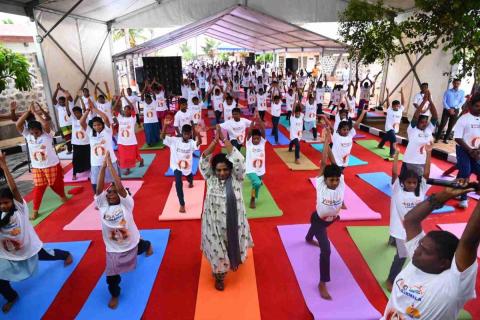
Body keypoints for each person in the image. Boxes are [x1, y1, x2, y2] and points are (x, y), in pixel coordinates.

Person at [381, 179, 479, 320]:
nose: (416, 250)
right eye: (420, 244)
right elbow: (410, 220)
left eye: (425, 251)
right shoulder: (419, 259)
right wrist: (443, 195)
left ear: (443, 263)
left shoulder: (453, 285)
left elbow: (468, 243)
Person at [0, 152, 72, 313]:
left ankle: (65, 254)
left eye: (5, 202)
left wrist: (4, 166)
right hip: (7, 254)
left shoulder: (19, 209)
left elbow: (13, 188)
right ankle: (11, 297)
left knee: (49, 255)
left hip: (30, 249)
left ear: (12, 201)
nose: (3, 206)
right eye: (0, 204)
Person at [95, 152, 153, 309]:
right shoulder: (102, 206)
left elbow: (119, 186)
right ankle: (115, 294)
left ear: (121, 195)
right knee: (111, 277)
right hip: (113, 249)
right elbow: (99, 188)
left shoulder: (127, 204)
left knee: (141, 247)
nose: (110, 193)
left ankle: (147, 245)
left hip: (132, 243)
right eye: (109, 192)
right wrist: (103, 167)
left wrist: (111, 166)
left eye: (113, 192)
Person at [199, 128, 254, 291]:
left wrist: (225, 141)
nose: (222, 173)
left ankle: (230, 263)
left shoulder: (237, 179)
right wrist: (214, 143)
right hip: (213, 226)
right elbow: (203, 160)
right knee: (218, 254)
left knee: (233, 248)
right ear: (214, 171)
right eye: (219, 170)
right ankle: (220, 276)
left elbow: (239, 161)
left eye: (225, 169)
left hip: (233, 224)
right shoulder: (210, 178)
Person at [386, 145, 432, 291]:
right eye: (408, 182)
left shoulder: (421, 191)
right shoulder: (397, 190)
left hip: (414, 230)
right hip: (400, 229)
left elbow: (426, 174)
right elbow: (394, 173)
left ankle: (392, 240)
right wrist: (396, 156)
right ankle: (391, 278)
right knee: (402, 255)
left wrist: (429, 153)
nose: (412, 185)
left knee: (418, 254)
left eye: (414, 182)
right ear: (403, 182)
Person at [305, 132, 343, 300]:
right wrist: (325, 143)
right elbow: (323, 163)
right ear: (324, 180)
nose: (334, 183)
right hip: (321, 220)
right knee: (326, 250)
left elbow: (335, 164)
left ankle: (308, 237)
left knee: (314, 224)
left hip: (331, 219)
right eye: (331, 180)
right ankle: (322, 282)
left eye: (336, 180)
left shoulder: (341, 184)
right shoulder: (321, 184)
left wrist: (330, 145)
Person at [16, 103, 67, 220]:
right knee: (39, 187)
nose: (34, 135)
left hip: (51, 165)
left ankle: (62, 195)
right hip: (37, 167)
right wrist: (28, 112)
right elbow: (18, 124)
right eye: (32, 132)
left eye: (36, 132)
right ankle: (35, 210)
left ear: (41, 131)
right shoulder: (28, 136)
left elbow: (45, 124)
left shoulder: (47, 135)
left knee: (54, 184)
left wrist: (34, 113)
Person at [80, 101, 120, 193]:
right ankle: (97, 196)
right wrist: (87, 111)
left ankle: (117, 194)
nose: (97, 127)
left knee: (114, 180)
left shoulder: (107, 131)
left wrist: (94, 109)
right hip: (95, 163)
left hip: (110, 161)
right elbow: (82, 121)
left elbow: (105, 118)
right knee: (95, 182)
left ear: (102, 125)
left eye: (99, 124)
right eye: (94, 125)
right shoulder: (90, 132)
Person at [161, 120, 201, 213]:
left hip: (187, 166)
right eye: (185, 134)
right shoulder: (174, 140)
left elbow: (199, 142)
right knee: (178, 183)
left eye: (188, 134)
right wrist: (165, 126)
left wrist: (198, 133)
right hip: (176, 166)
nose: (187, 136)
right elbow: (162, 137)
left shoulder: (191, 142)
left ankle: (190, 181)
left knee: (189, 177)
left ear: (190, 134)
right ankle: (182, 204)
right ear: (181, 133)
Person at [453, 93, 480, 209]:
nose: (479, 108)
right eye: (477, 106)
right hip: (463, 150)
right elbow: (457, 137)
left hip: (476, 151)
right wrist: (470, 150)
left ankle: (458, 189)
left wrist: (478, 150)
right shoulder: (463, 119)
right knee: (466, 171)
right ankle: (463, 199)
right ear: (470, 105)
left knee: (477, 170)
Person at [402, 90, 438, 177]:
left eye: (426, 122)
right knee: (403, 184)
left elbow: (435, 117)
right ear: (417, 122)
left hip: (423, 162)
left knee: (418, 184)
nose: (424, 124)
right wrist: (424, 101)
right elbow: (415, 116)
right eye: (422, 122)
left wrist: (430, 101)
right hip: (410, 161)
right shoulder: (412, 130)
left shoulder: (428, 130)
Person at [115, 91, 144, 176]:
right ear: (123, 111)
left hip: (131, 141)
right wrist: (119, 97)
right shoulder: (120, 118)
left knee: (135, 155)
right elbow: (114, 108)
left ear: (130, 111)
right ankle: (127, 168)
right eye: (125, 110)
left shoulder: (133, 118)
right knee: (124, 156)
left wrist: (125, 97)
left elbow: (131, 106)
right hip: (121, 141)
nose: (127, 111)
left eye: (128, 110)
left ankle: (141, 160)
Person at [435, 78, 466, 143]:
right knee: (442, 124)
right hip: (447, 109)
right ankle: (437, 138)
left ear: (460, 84)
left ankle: (445, 139)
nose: (456, 85)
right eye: (455, 83)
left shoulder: (462, 92)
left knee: (451, 125)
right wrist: (449, 109)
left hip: (456, 110)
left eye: (458, 83)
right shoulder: (447, 91)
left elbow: (462, 101)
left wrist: (455, 108)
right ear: (453, 83)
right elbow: (444, 101)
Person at [378, 87, 405, 158]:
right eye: (395, 106)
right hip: (389, 127)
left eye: (398, 105)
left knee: (387, 137)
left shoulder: (400, 110)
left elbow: (403, 102)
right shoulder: (389, 110)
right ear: (392, 106)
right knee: (393, 139)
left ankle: (380, 145)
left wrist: (402, 93)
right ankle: (391, 154)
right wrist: (387, 93)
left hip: (396, 128)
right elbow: (388, 102)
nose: (397, 107)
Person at [245, 116, 266, 209]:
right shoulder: (249, 144)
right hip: (251, 169)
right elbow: (249, 132)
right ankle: (252, 199)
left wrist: (259, 119)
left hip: (261, 170)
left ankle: (254, 194)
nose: (256, 140)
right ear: (251, 139)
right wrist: (253, 120)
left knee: (256, 185)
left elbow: (263, 130)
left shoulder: (262, 143)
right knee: (257, 183)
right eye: (254, 139)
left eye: (258, 139)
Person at [71, 101, 91, 180]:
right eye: (75, 113)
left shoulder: (86, 119)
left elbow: (84, 109)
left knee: (87, 157)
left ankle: (90, 170)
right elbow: (69, 110)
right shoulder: (72, 120)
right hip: (76, 143)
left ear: (81, 113)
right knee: (75, 158)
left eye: (78, 113)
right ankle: (74, 173)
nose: (76, 114)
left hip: (86, 142)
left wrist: (81, 100)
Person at [53, 83, 73, 154]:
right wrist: (57, 89)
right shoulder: (58, 107)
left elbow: (69, 96)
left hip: (72, 124)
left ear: (65, 101)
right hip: (63, 125)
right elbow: (53, 99)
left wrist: (62, 89)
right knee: (67, 138)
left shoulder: (70, 104)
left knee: (74, 137)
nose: (61, 103)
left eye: (62, 101)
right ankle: (70, 150)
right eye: (59, 102)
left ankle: (76, 148)